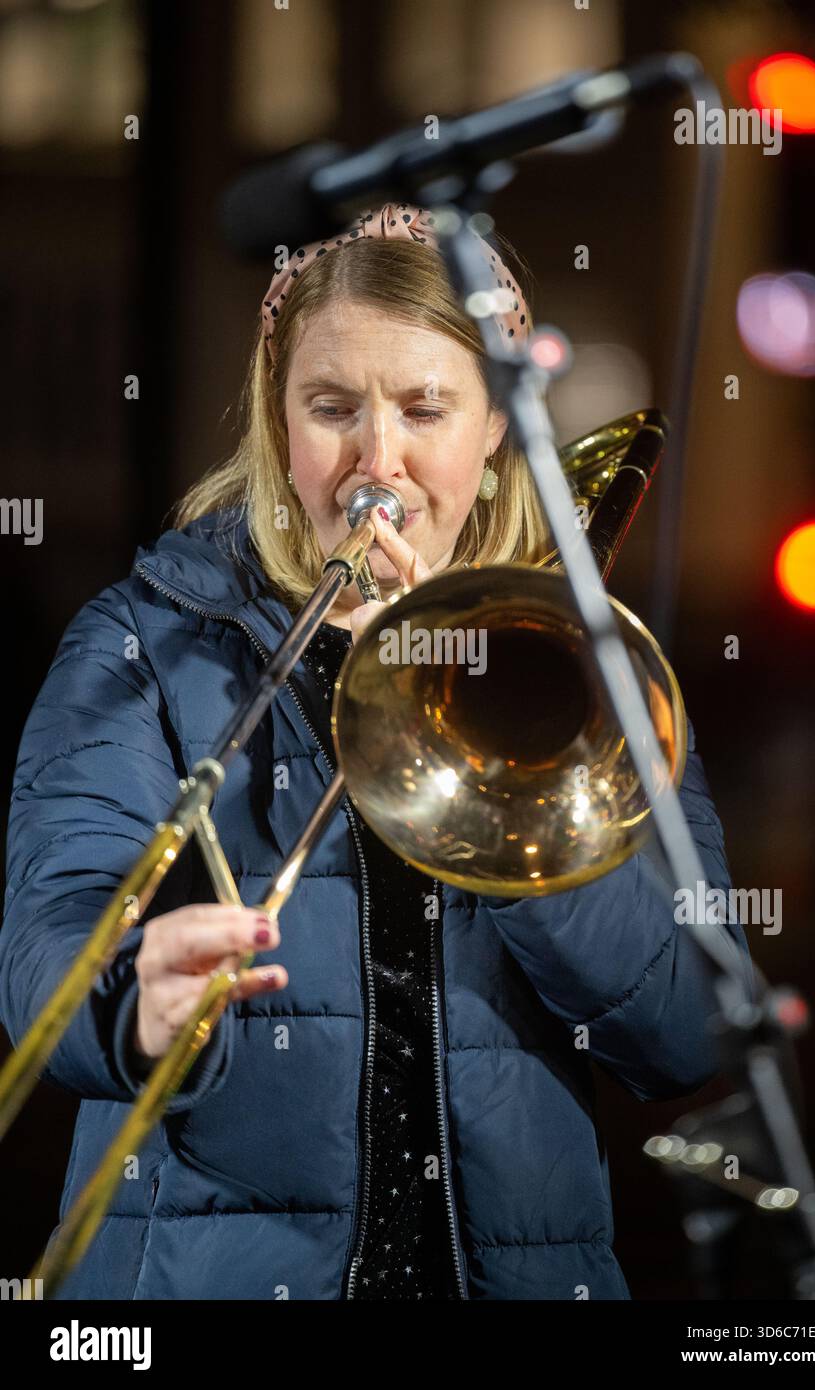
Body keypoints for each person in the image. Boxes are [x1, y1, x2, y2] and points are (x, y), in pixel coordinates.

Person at [0, 204, 751, 1301]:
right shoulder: (141, 643)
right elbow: (49, 934)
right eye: (331, 407)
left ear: (495, 423)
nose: (376, 461)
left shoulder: (578, 666)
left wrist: (487, 738)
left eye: (424, 408)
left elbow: (684, 1027)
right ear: (276, 417)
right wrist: (126, 992)